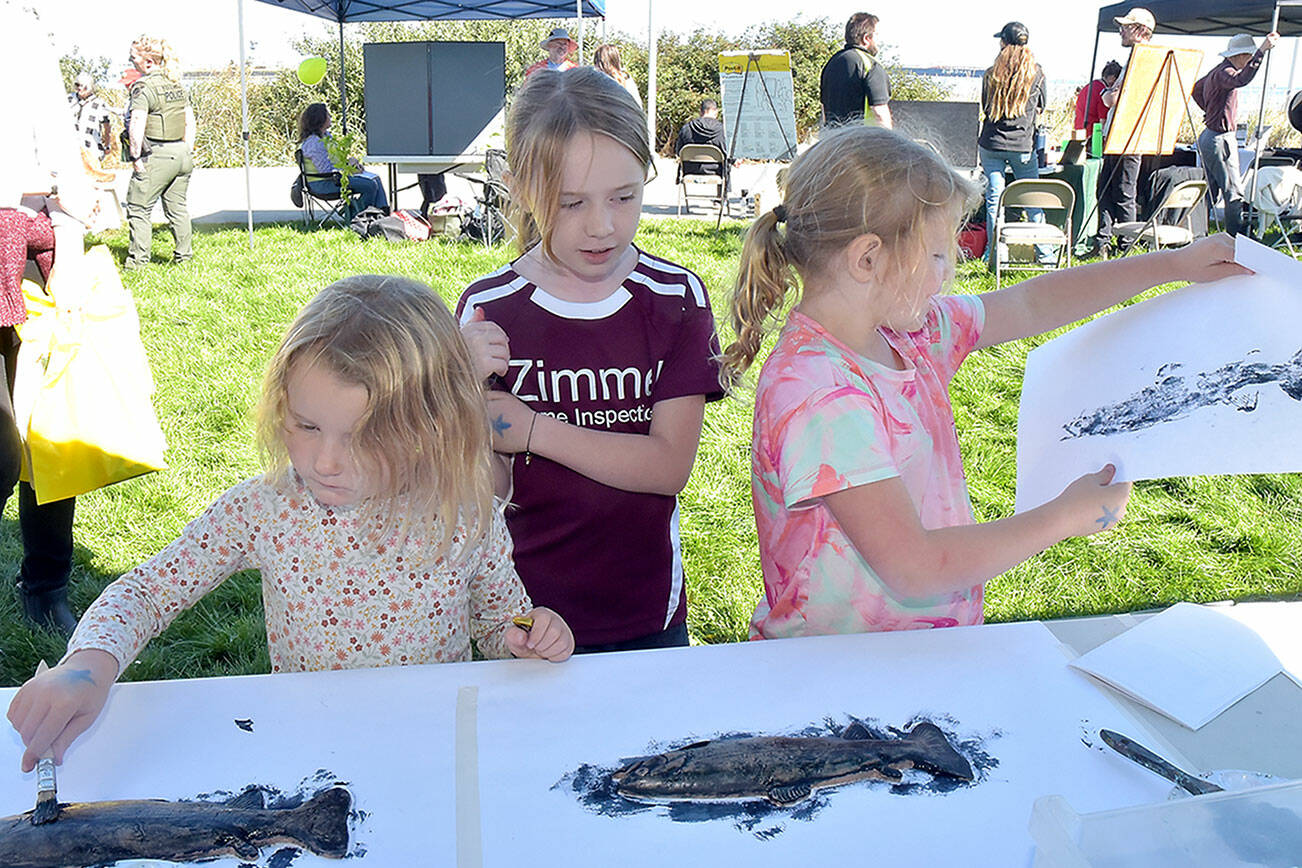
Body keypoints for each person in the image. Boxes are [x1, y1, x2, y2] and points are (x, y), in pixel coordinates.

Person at [6, 274, 575, 772]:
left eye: (362, 437)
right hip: (308, 749)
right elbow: (148, 591)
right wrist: (87, 664)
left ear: (432, 427)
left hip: (431, 749)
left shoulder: (465, 511)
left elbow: (500, 620)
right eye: (306, 426)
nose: (326, 461)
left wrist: (528, 634)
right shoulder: (268, 508)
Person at [719, 125, 1248, 640]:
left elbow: (1028, 302)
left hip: (921, 656)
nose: (950, 270)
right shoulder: (820, 394)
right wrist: (1063, 517)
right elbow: (915, 566)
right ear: (868, 258)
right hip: (835, 677)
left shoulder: (908, 335)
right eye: (935, 254)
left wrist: (1173, 265)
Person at [456, 68, 723, 653]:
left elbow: (666, 467)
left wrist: (529, 429)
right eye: (571, 203)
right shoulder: (488, 309)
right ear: (520, 186)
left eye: (624, 197)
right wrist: (461, 396)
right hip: (522, 615)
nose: (602, 226)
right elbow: (484, 487)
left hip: (646, 618)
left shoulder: (677, 300)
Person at [0, 0, 97, 637]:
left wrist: (69, 237)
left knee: (49, 432)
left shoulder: (20, 22)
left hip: (25, 244)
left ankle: (45, 583)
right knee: (2, 451)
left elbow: (55, 141)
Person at [1193, 32, 1280, 237]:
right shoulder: (1227, 72)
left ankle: (1199, 233)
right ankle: (1236, 239)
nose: (1249, 60)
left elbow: (1197, 89)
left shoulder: (1217, 71)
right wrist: (1262, 51)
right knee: (1233, 191)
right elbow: (1242, 79)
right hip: (1220, 137)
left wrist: (1210, 110)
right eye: (1248, 56)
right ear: (1240, 55)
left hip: (1209, 136)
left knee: (1211, 190)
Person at [977, 21, 1047, 267]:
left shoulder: (991, 74)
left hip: (992, 143)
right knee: (1034, 198)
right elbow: (1041, 107)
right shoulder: (1036, 73)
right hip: (1022, 146)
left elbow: (987, 108)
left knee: (995, 199)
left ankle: (994, 254)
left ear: (1004, 43)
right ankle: (1045, 255)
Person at [124, 36, 194, 269]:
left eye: (134, 58)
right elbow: (189, 121)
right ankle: (184, 258)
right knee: (178, 209)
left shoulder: (143, 87)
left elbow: (137, 122)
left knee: (138, 208)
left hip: (157, 152)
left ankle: (137, 262)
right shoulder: (176, 84)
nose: (131, 62)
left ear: (148, 62)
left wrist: (135, 157)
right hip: (181, 152)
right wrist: (187, 149)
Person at [1092, 8, 1155, 259]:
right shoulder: (1140, 57)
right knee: (1108, 190)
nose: (1121, 29)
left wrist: (1107, 95)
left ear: (1140, 30)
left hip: (1129, 135)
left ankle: (1126, 247)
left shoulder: (1143, 58)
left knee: (1123, 192)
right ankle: (1104, 243)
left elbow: (1113, 98)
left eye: (1126, 26)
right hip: (1122, 135)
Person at [297, 103, 389, 215]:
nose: (330, 117)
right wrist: (348, 169)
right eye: (328, 115)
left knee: (375, 178)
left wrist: (352, 165)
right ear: (320, 119)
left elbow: (335, 161)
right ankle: (358, 215)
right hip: (322, 183)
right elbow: (326, 171)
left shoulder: (326, 136)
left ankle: (382, 213)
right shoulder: (314, 143)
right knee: (369, 185)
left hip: (333, 178)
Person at [819, 12, 891, 129]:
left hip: (833, 141)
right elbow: (879, 113)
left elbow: (824, 109)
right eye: (877, 35)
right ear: (866, 39)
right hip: (863, 141)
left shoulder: (832, 63)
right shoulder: (870, 65)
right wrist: (890, 144)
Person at [674, 99, 729, 188]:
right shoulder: (722, 130)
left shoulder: (687, 128)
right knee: (726, 163)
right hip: (716, 170)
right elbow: (727, 152)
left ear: (701, 111)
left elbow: (678, 151)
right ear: (716, 112)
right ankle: (721, 198)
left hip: (690, 169)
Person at [67, 72, 113, 162]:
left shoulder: (99, 104)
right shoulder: (69, 99)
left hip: (91, 147)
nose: (80, 88)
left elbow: (106, 127)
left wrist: (107, 145)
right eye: (77, 85)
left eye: (83, 86)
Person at [1075, 60, 1122, 145]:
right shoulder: (1103, 92)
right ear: (1113, 78)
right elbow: (1103, 122)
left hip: (1079, 132)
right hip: (1092, 137)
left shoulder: (1089, 86)